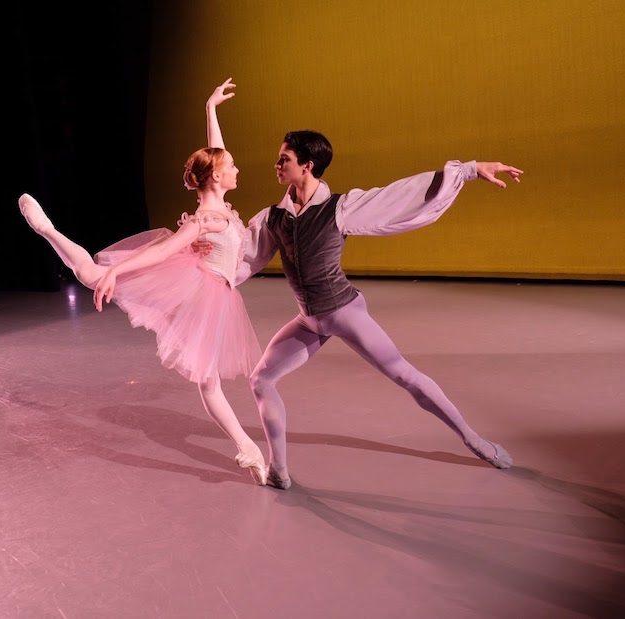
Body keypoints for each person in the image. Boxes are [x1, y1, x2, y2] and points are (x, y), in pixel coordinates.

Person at [203, 80, 524, 489]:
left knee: (403, 375)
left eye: (283, 158)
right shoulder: (274, 217)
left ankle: (474, 439)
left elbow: (402, 194)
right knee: (261, 379)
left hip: (344, 311)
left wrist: (472, 169)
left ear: (307, 166)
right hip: (309, 320)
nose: (276, 164)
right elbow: (236, 252)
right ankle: (279, 471)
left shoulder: (341, 207)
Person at [17, 80, 268, 485]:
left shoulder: (217, 201)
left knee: (208, 381)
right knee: (94, 274)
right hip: (193, 290)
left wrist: (210, 109)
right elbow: (162, 253)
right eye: (232, 167)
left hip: (205, 285)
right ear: (218, 178)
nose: (238, 169)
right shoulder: (208, 218)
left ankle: (248, 448)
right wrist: (119, 270)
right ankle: (47, 229)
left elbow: (217, 154)